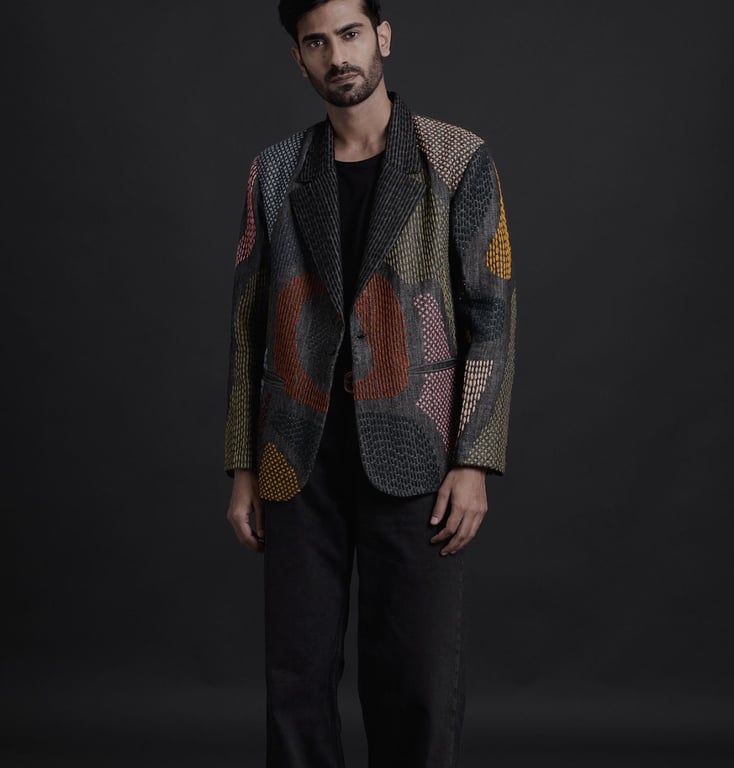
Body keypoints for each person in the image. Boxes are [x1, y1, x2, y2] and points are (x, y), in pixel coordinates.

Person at [224, 1, 517, 765]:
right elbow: (248, 326)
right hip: (298, 455)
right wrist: (243, 464)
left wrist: (475, 459)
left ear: (382, 36)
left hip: (417, 448)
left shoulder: (457, 158)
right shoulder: (274, 171)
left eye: (350, 34)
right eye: (316, 42)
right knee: (296, 678)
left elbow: (491, 313)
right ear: (298, 58)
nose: (337, 56)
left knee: (416, 681)